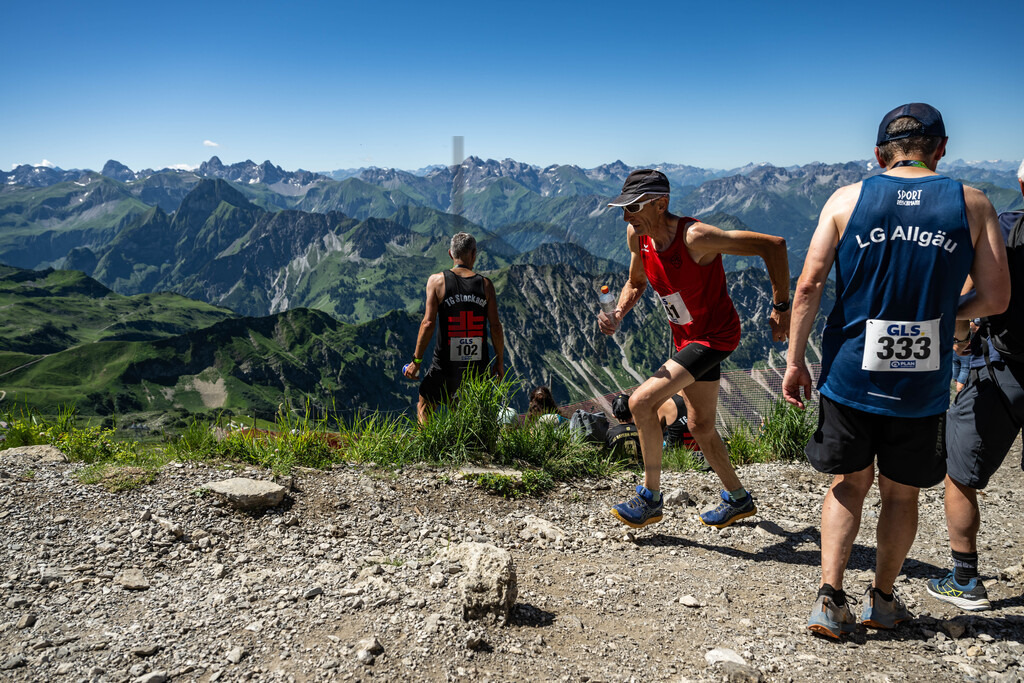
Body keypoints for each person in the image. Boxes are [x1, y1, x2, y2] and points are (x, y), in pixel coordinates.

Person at [783, 103, 1010, 639]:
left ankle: (829, 598)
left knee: (847, 483)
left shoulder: (846, 199)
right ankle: (882, 601)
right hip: (923, 378)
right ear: (942, 147)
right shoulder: (973, 204)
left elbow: (809, 286)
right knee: (902, 493)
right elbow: (997, 297)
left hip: (849, 373)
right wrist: (942, 313)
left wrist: (795, 361)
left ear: (879, 153)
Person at [600, 169, 791, 529]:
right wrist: (618, 313)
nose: (626, 216)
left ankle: (649, 499)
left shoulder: (695, 237)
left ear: (661, 204)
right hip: (686, 338)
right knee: (701, 426)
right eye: (623, 208)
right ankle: (738, 499)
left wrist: (781, 307)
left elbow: (774, 245)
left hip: (714, 337)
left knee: (641, 402)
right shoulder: (637, 236)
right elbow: (635, 281)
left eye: (634, 207)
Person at [926, 159, 1024, 612]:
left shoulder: (1005, 228)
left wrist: (961, 340)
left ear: (1021, 182)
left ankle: (965, 580)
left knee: (961, 473)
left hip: (1005, 371)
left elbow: (972, 293)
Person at [404, 232, 504, 424]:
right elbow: (496, 327)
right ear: (474, 254)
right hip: (477, 365)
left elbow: (428, 323)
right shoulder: (486, 285)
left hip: (445, 363)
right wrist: (499, 361)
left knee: (424, 404)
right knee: (468, 415)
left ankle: (429, 449)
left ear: (451, 254)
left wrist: (416, 361)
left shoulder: (437, 281)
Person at [658, 393, 710, 471]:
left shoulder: (667, 403)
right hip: (707, 462)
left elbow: (653, 436)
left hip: (675, 465)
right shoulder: (707, 400)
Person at [606, 393, 642, 465]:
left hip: (621, 470)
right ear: (632, 412)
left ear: (614, 415)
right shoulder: (643, 430)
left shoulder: (609, 434)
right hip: (645, 468)